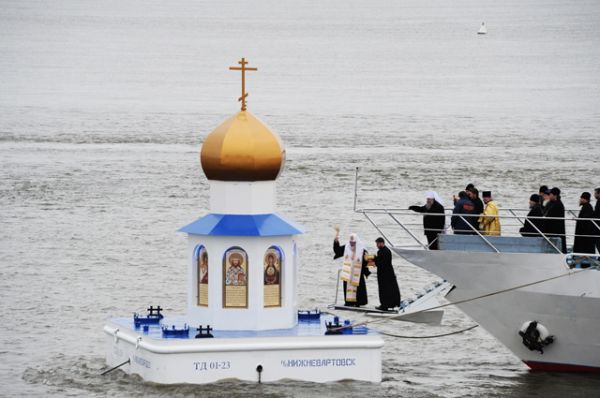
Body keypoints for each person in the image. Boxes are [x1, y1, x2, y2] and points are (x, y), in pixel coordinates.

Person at [333, 231, 370, 307]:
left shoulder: (362, 249)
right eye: (351, 242)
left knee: (358, 289)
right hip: (348, 272)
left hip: (358, 272)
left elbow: (366, 261)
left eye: (353, 242)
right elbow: (337, 251)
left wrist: (366, 271)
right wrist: (336, 241)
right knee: (348, 288)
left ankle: (359, 302)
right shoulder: (347, 247)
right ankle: (349, 302)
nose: (352, 244)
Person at [373, 237, 401, 310]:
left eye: (377, 243)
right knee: (390, 289)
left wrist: (375, 261)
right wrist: (375, 259)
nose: (377, 245)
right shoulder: (385, 251)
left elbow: (382, 263)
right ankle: (391, 304)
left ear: (382, 243)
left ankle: (384, 305)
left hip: (384, 274)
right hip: (388, 273)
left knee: (384, 290)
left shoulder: (384, 251)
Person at [543, 187, 567, 253]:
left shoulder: (558, 205)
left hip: (555, 230)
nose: (549, 196)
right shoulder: (551, 203)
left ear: (555, 195)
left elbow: (550, 216)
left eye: (550, 194)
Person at [594, 188, 600, 254]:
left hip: (598, 225)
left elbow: (597, 213)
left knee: (597, 241)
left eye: (595, 193)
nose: (594, 195)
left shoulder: (599, 201)